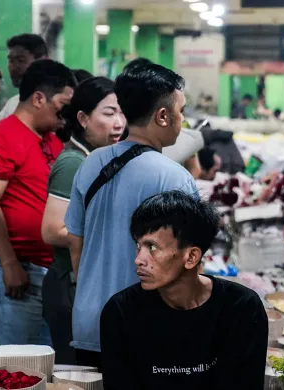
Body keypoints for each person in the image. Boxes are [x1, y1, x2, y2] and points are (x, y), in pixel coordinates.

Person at [64, 60, 198, 369]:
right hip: (148, 327)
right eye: (181, 111)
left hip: (89, 322)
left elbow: (75, 245)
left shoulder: (91, 162)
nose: (183, 119)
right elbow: (186, 264)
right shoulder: (175, 178)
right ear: (163, 116)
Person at [100, 191, 268, 389]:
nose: (139, 259)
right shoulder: (121, 312)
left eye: (152, 247)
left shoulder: (242, 308)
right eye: (138, 246)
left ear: (191, 257)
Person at [0, 59, 76, 345]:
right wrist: (9, 263)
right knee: (20, 364)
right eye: (62, 103)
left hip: (47, 271)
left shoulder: (51, 140)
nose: (66, 113)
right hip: (14, 268)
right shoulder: (3, 137)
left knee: (48, 359)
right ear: (38, 98)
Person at [41, 77, 125, 364]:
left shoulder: (98, 158)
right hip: (68, 286)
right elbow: (52, 231)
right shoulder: (73, 163)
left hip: (84, 283)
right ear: (83, 118)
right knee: (76, 374)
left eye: (122, 113)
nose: (119, 123)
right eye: (109, 112)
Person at [0, 34, 48, 129]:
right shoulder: (14, 102)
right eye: (11, 61)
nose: (14, 67)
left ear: (43, 62)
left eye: (21, 60)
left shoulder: (54, 103)